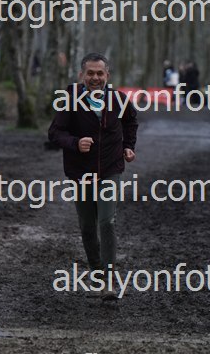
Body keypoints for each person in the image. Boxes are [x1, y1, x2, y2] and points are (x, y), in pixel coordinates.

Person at [48, 53, 138, 300]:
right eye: (90, 73)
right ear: (81, 75)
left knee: (107, 221)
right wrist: (76, 143)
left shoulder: (118, 99)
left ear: (107, 75)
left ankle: (109, 280)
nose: (95, 78)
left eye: (100, 73)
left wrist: (128, 146)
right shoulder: (70, 100)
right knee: (87, 226)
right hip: (81, 172)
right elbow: (55, 133)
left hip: (110, 168)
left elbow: (131, 122)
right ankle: (97, 275)